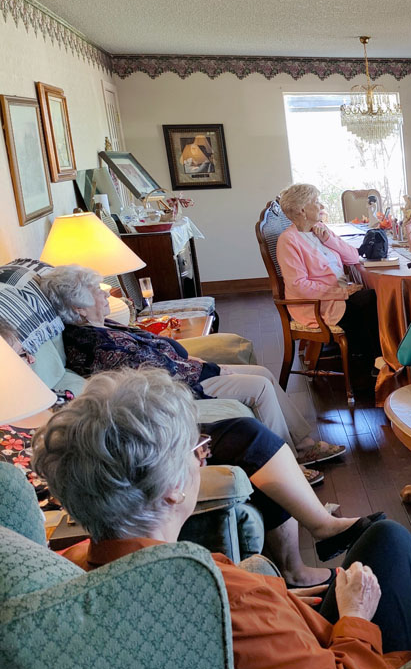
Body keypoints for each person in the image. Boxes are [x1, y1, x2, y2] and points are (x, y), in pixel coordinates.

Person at [33, 368, 411, 669]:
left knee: (389, 548)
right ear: (173, 489)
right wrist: (356, 618)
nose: (202, 457)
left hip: (277, 665)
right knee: (392, 541)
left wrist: (281, 604)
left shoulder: (71, 565)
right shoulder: (220, 596)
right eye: (197, 449)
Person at [0, 320, 372, 588]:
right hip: (123, 463)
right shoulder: (13, 428)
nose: (30, 359)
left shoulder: (32, 398)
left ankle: (307, 540)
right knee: (245, 438)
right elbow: (54, 478)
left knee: (246, 438)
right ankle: (312, 538)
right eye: (20, 356)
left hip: (124, 447)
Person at [40, 264, 344, 466]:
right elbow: (155, 372)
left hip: (185, 370)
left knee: (263, 371)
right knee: (261, 386)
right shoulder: (93, 342)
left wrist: (188, 357)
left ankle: (302, 444)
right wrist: (210, 368)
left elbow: (153, 354)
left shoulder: (101, 325)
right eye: (96, 291)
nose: (105, 294)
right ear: (79, 308)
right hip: (180, 385)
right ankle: (288, 459)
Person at [276, 182, 381, 359]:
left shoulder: (320, 229)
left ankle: (373, 356)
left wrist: (329, 241)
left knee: (372, 298)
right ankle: (373, 360)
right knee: (370, 300)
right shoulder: (288, 241)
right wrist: (341, 293)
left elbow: (354, 258)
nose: (322, 206)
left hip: (336, 294)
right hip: (316, 304)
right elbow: (298, 286)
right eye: (316, 201)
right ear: (302, 210)